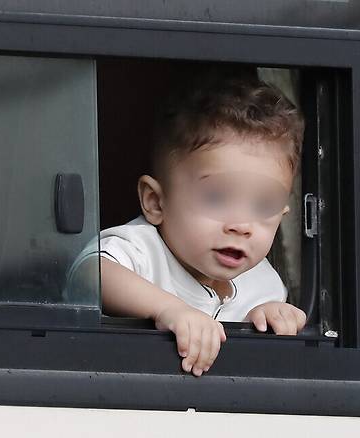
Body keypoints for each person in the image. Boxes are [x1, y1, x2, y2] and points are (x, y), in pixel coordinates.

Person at [79, 76, 306, 376]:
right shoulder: (144, 250)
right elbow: (88, 274)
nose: (241, 226)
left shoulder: (263, 283)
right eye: (215, 197)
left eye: (264, 206)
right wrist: (168, 309)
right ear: (156, 202)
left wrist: (267, 318)